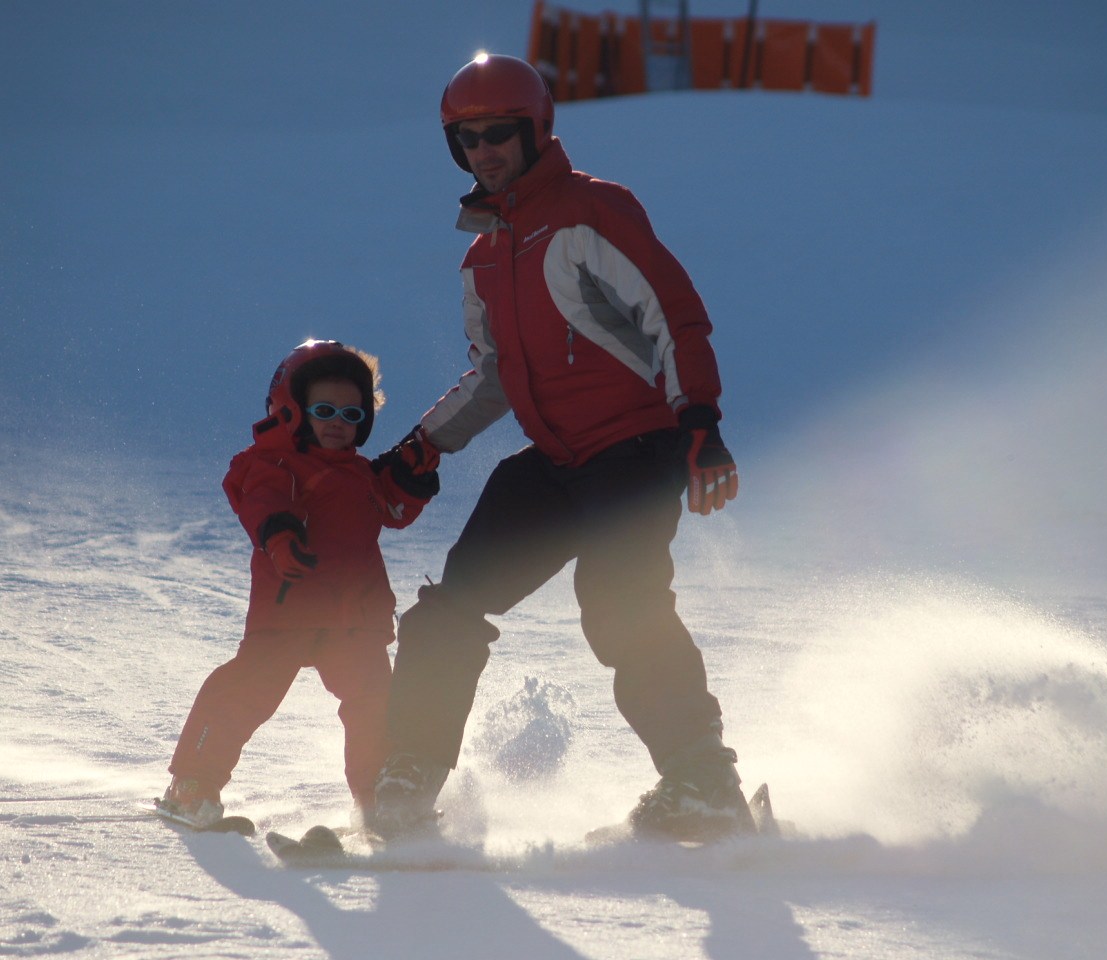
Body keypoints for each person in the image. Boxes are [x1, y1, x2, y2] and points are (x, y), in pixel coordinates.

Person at [372, 53, 750, 843]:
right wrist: (421, 449)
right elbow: (495, 378)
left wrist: (701, 423)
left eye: (499, 132)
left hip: (636, 452)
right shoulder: (483, 258)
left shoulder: (591, 212)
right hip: (556, 463)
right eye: (465, 139)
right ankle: (407, 780)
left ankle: (703, 783)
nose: (484, 150)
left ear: (537, 129)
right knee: (446, 611)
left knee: (619, 603)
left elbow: (674, 317)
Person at [158, 339, 440, 828]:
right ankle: (192, 784)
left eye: (352, 414)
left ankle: (380, 802)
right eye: (325, 409)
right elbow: (263, 502)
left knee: (374, 703)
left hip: (354, 619)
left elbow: (391, 511)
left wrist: (410, 480)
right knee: (244, 693)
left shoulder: (361, 474)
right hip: (288, 611)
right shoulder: (272, 463)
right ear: (291, 411)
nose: (338, 422)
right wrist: (281, 540)